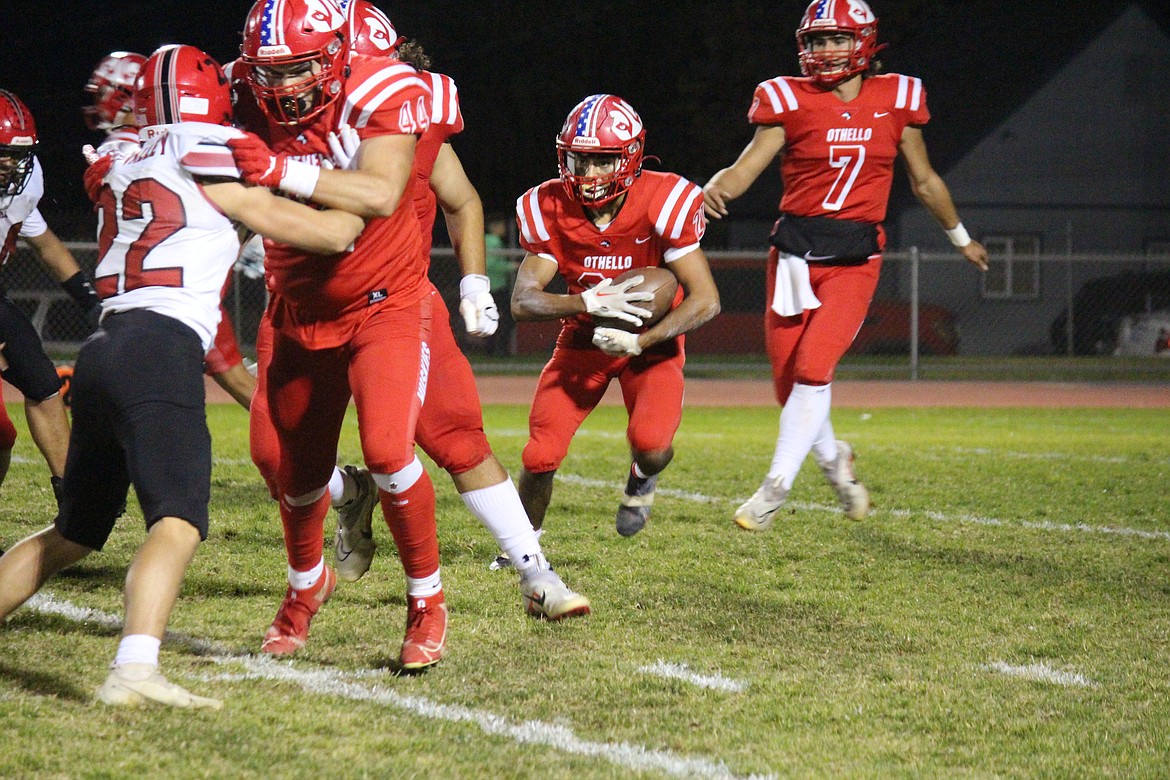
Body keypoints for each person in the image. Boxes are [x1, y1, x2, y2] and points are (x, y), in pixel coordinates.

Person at [0, 43, 365, 709]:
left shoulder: (118, 158)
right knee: (177, 520)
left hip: (103, 347)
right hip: (159, 346)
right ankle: (135, 669)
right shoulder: (214, 147)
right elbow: (322, 232)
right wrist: (364, 196)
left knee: (76, 532)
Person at [320, 1, 589, 620]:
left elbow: (462, 199)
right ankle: (345, 493)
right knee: (280, 450)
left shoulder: (416, 108)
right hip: (314, 303)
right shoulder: (293, 122)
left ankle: (535, 574)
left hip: (399, 299)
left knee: (453, 436)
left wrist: (473, 283)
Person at [702, 0, 989, 530]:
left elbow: (924, 180)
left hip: (854, 257)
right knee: (790, 385)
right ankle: (837, 463)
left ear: (865, 41)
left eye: (837, 39)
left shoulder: (898, 96)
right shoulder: (787, 97)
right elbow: (745, 169)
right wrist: (715, 188)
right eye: (817, 41)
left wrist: (961, 237)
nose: (826, 50)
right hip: (791, 255)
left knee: (814, 369)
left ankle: (775, 488)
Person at [228, 0, 448, 669]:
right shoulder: (240, 91)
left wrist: (274, 176)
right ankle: (303, 591)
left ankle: (427, 603)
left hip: (383, 300)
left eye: (300, 68)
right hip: (296, 304)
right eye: (274, 73)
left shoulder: (384, 86)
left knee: (387, 450)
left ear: (337, 53)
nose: (287, 87)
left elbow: (380, 194)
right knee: (295, 472)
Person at [512, 94, 720, 541]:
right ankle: (521, 550)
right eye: (578, 159)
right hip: (584, 339)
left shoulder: (665, 200)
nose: (586, 175)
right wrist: (589, 303)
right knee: (539, 455)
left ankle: (642, 477)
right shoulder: (548, 206)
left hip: (652, 344)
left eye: (600, 161)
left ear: (628, 158)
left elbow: (705, 300)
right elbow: (523, 301)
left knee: (652, 445)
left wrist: (642, 342)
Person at [84, 51, 258, 411]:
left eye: (106, 94)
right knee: (237, 380)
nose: (101, 104)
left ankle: (309, 459)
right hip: (179, 281)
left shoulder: (120, 151)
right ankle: (311, 458)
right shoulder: (174, 143)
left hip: (164, 288)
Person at [0, 89, 101, 516]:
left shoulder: (24, 181)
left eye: (16, 155)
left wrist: (92, 304)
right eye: (2, 153)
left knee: (44, 385)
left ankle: (74, 499)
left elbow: (40, 239)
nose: (11, 164)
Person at [483, 213, 518, 356]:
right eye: (501, 225)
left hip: (489, 286)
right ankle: (499, 349)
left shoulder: (485, 239)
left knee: (492, 318)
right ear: (494, 227)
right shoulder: (493, 241)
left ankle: (492, 349)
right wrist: (511, 266)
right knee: (509, 317)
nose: (504, 228)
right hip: (496, 287)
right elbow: (491, 264)